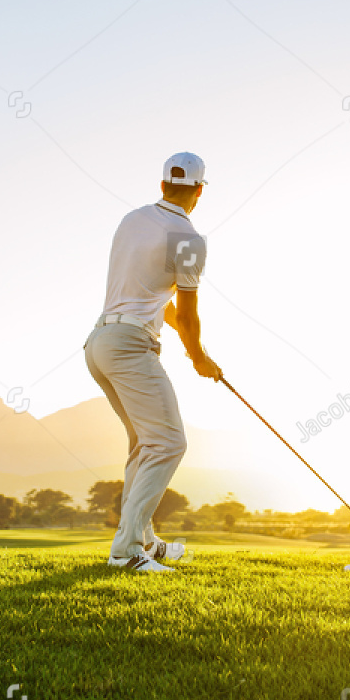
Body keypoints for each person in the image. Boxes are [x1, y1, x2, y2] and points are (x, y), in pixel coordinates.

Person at [85, 152, 222, 573]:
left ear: (162, 185)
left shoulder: (132, 220)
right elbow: (186, 312)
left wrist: (195, 348)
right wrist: (199, 356)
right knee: (169, 443)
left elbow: (151, 301)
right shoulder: (188, 239)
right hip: (129, 347)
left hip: (99, 343)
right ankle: (125, 551)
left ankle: (144, 540)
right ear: (200, 191)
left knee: (144, 444)